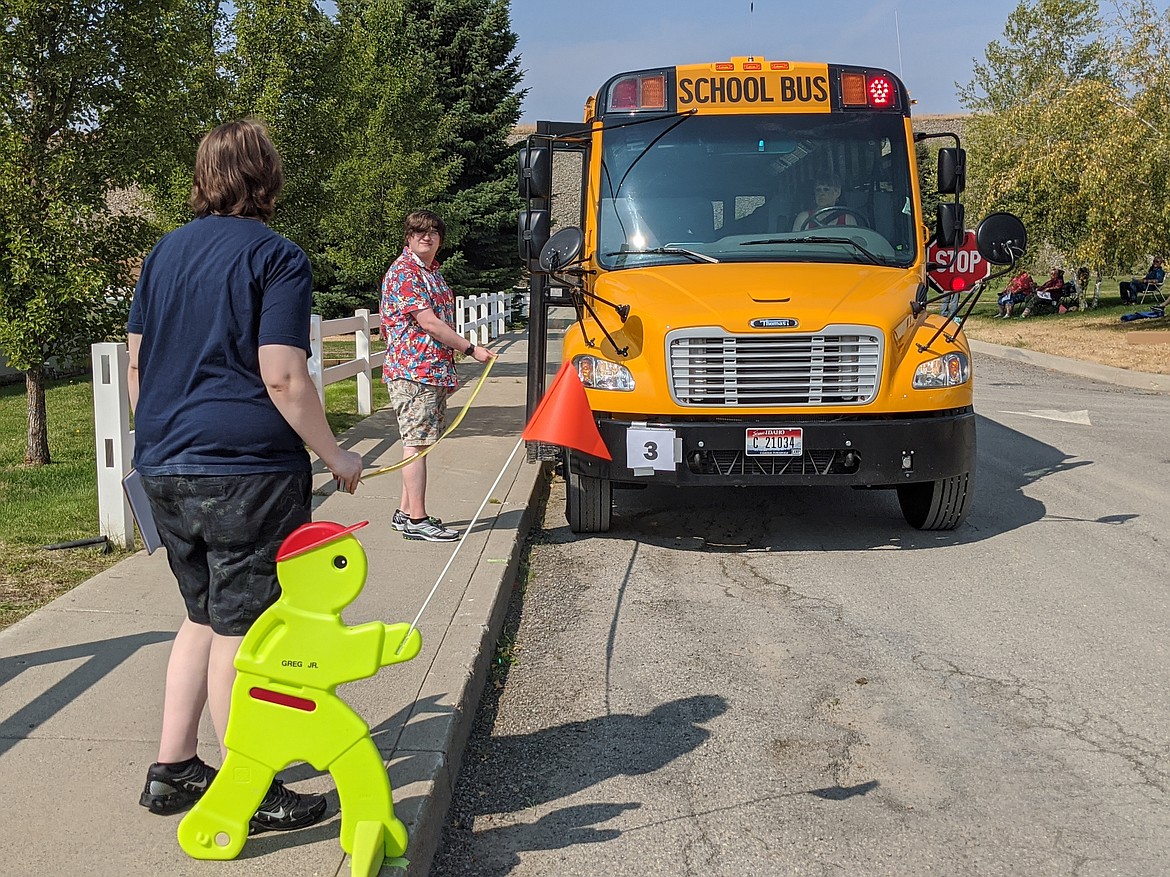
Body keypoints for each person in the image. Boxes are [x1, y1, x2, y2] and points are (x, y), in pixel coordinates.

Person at [127, 119, 364, 832]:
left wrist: (165, 440)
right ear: (267, 176)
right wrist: (336, 454)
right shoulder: (277, 256)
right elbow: (284, 375)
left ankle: (173, 767)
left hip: (165, 462)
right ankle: (246, 780)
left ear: (206, 176)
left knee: (202, 614)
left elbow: (138, 367)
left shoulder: (162, 255)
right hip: (246, 473)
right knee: (245, 629)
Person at [381, 210, 495, 542]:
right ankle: (418, 519)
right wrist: (471, 349)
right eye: (419, 231)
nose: (426, 236)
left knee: (420, 444)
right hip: (413, 371)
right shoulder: (405, 273)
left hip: (432, 370)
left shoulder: (431, 273)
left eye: (433, 232)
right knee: (415, 444)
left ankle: (405, 513)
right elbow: (429, 322)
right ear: (408, 237)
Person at [792, 174, 859, 231]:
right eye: (818, 190)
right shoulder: (803, 218)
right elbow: (796, 245)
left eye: (826, 189)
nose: (821, 193)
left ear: (837, 193)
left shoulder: (848, 220)